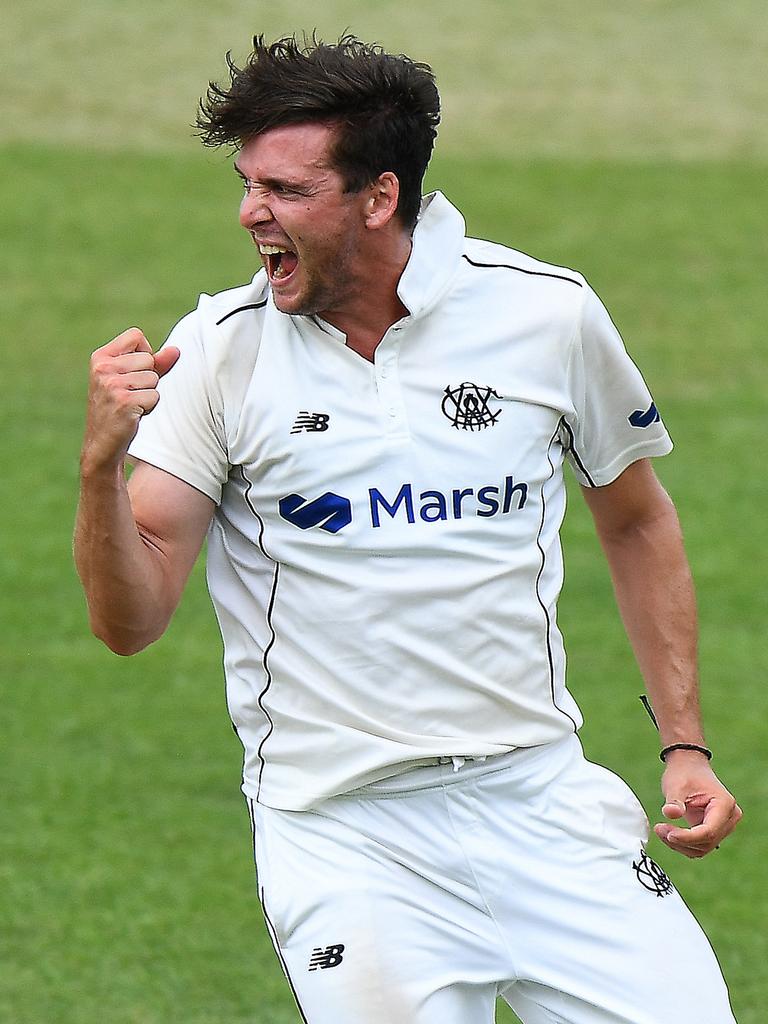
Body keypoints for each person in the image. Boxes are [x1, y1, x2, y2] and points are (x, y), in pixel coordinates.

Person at [75, 33, 742, 1024]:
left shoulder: (545, 315)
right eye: (247, 182)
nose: (253, 211)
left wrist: (684, 745)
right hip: (346, 833)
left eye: (287, 189)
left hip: (541, 800)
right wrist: (99, 472)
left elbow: (639, 523)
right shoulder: (220, 352)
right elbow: (130, 620)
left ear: (380, 197)